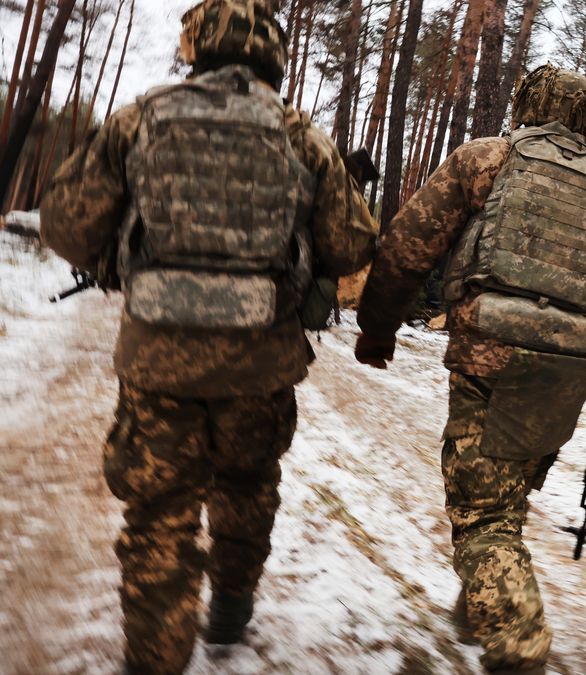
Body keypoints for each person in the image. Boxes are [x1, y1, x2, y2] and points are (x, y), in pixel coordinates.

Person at [39, 1, 377, 671]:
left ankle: (156, 656)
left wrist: (114, 261)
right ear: (272, 53)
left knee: (159, 512)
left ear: (196, 46)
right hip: (261, 364)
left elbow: (65, 223)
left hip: (158, 360)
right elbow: (352, 243)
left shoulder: (141, 117)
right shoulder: (300, 135)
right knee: (247, 486)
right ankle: (230, 607)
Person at [354, 64, 586, 674]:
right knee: (503, 492)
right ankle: (481, 603)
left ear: (530, 102)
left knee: (483, 513)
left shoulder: (485, 158)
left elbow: (409, 247)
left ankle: (518, 642)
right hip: (564, 374)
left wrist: (378, 326)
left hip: (488, 354)